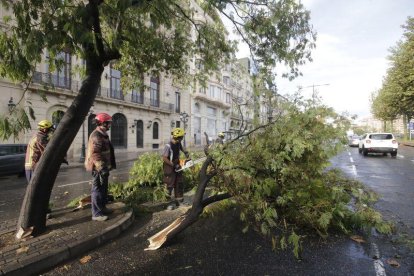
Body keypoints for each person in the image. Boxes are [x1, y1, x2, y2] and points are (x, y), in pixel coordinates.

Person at [85, 112, 116, 221]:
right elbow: (95, 153)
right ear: (103, 123)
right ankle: (97, 214)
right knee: (97, 190)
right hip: (98, 168)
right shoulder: (96, 135)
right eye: (109, 123)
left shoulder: (103, 134)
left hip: (104, 167)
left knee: (103, 189)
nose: (110, 125)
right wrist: (101, 167)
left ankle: (103, 208)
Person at [162, 127, 190, 202]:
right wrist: (173, 165)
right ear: (178, 137)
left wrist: (186, 152)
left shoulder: (178, 143)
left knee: (179, 181)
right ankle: (167, 201)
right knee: (169, 183)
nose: (182, 139)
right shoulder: (168, 146)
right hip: (169, 166)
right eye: (182, 137)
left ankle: (179, 199)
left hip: (177, 163)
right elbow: (164, 158)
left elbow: (182, 148)